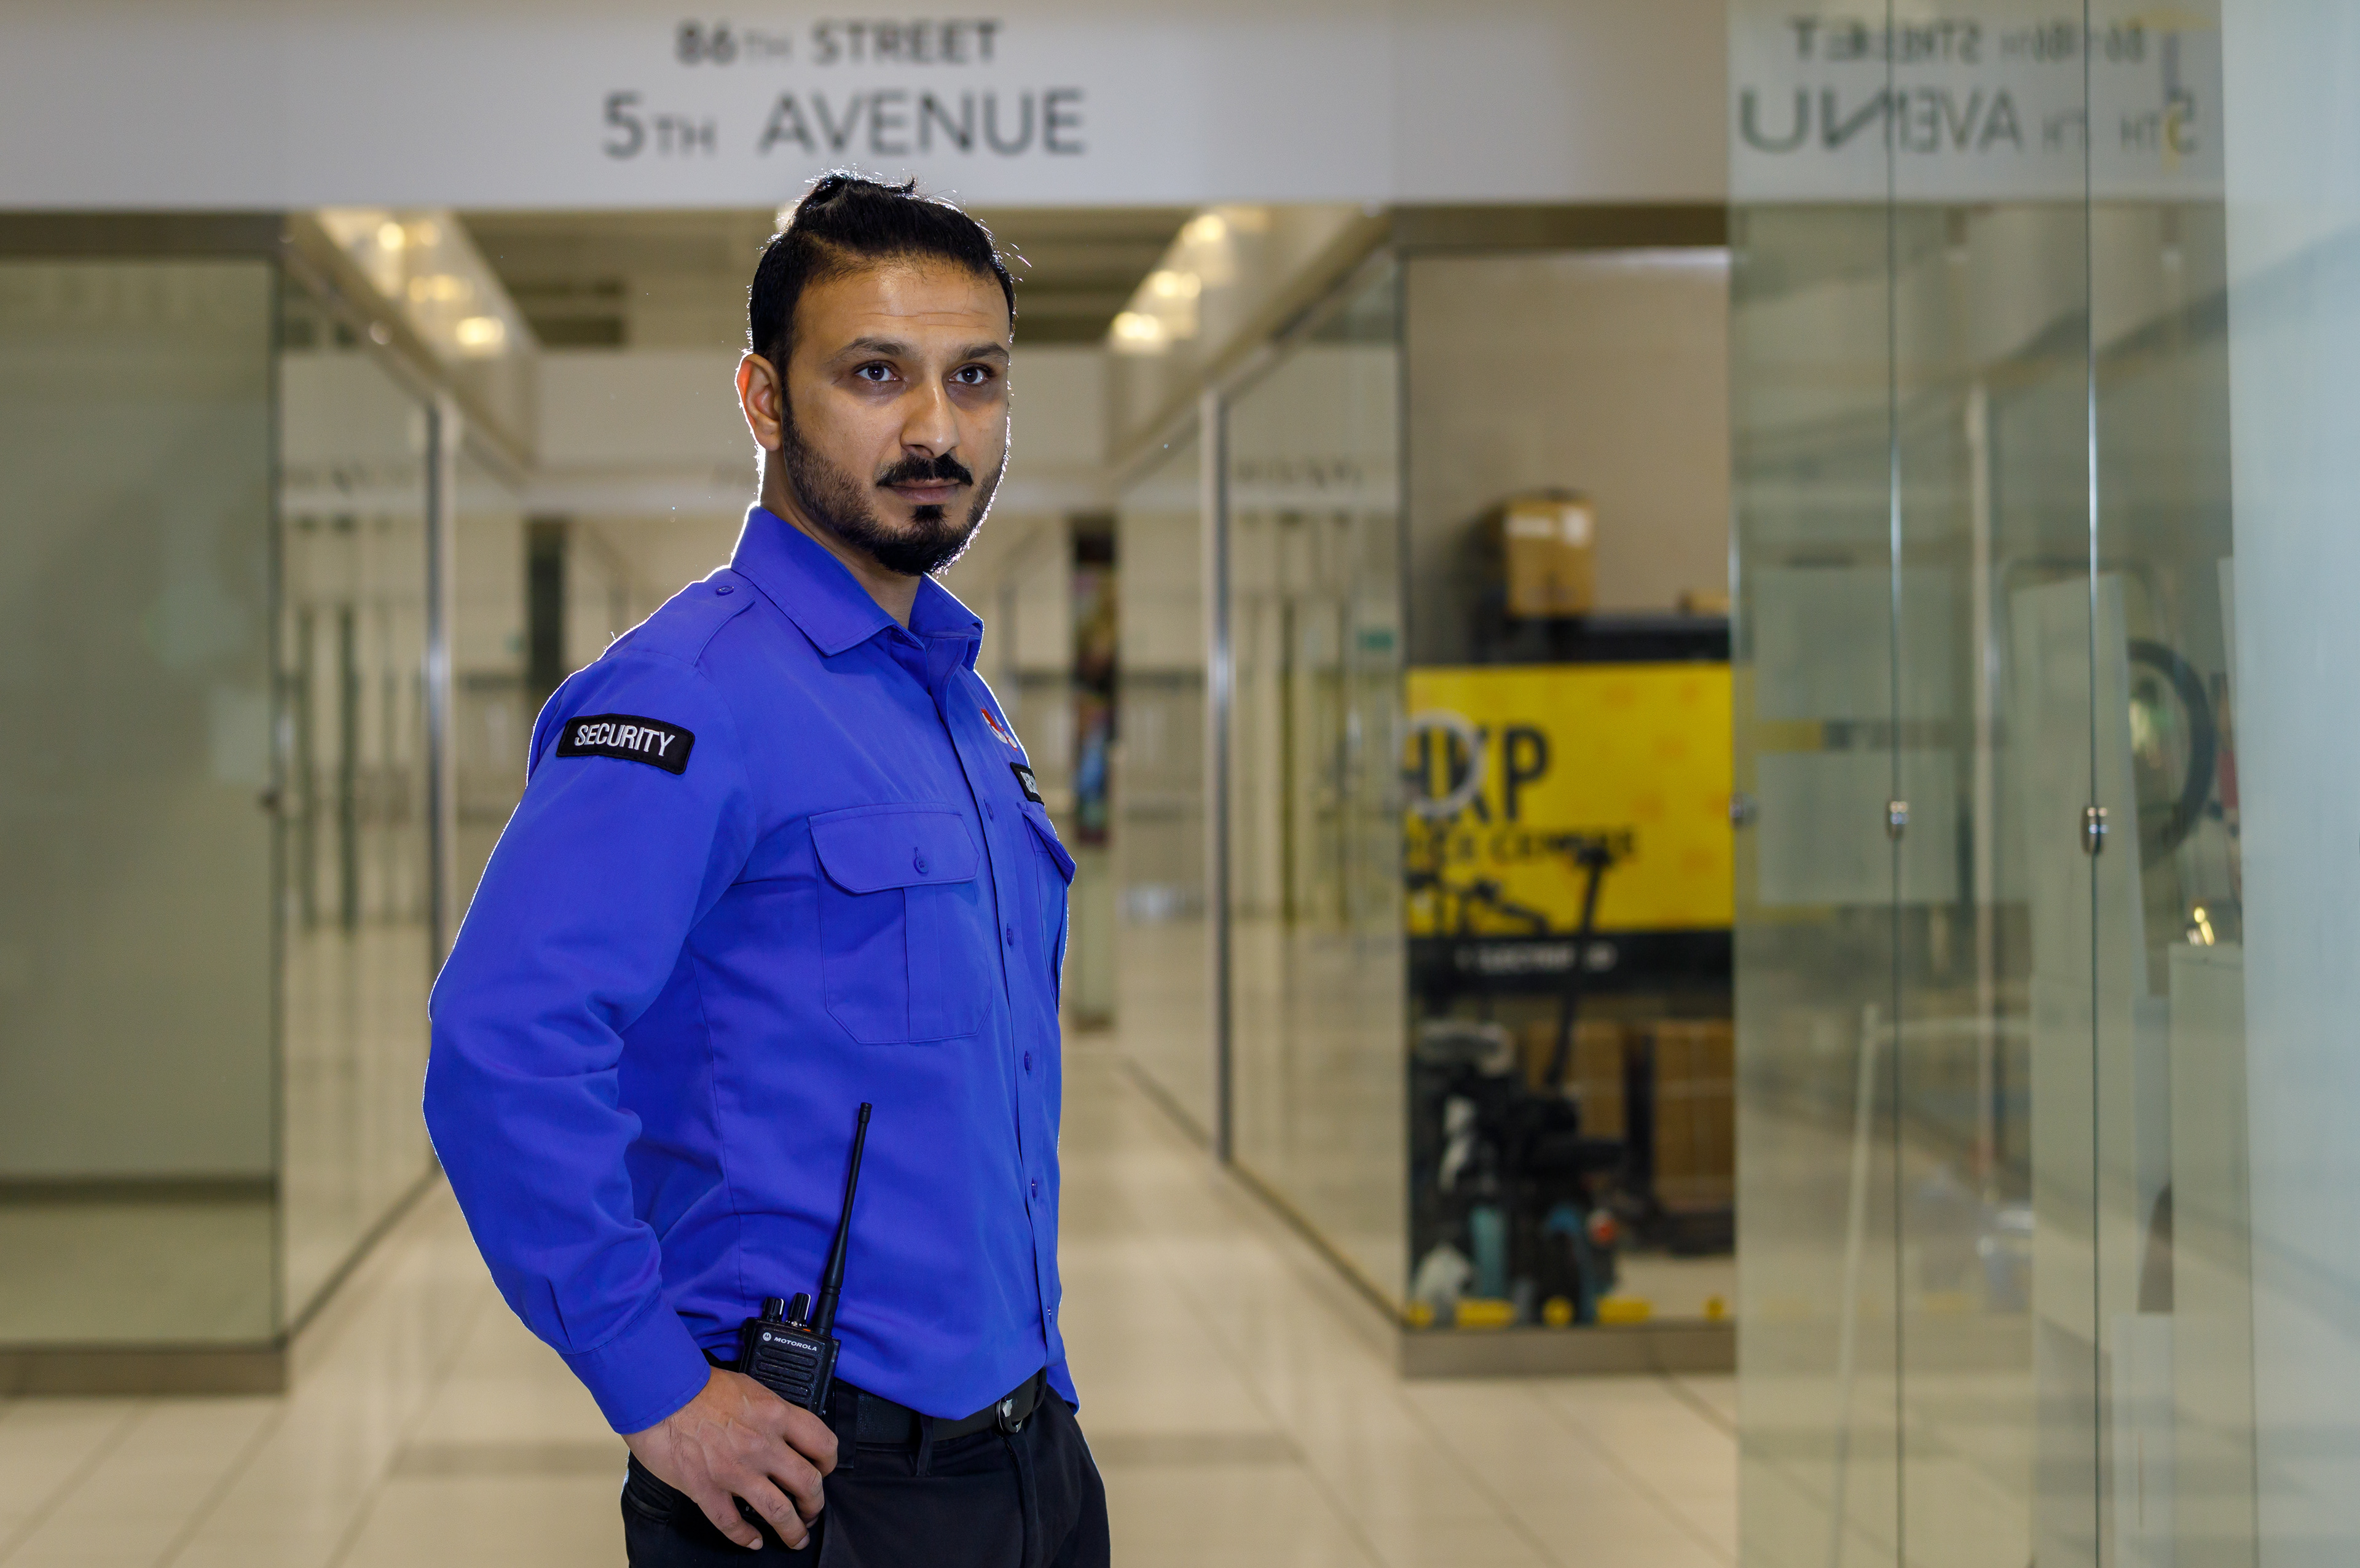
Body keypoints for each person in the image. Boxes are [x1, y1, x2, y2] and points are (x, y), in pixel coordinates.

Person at [423, 173, 1107, 1567]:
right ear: (764, 400)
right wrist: (656, 1389)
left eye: (975, 377)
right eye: (876, 373)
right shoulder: (690, 697)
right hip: (811, 1486)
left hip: (1026, 1450)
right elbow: (504, 1044)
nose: (936, 426)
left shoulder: (959, 708)